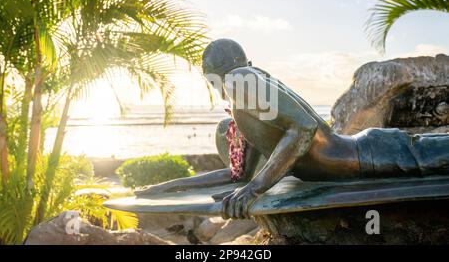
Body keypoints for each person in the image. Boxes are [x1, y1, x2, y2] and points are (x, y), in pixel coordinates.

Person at [136, 39, 449, 219]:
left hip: (369, 154)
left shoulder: (240, 79)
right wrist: (167, 187)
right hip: (363, 154)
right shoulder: (246, 98)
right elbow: (240, 176)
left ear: (214, 74)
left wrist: (255, 190)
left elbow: (303, 128)